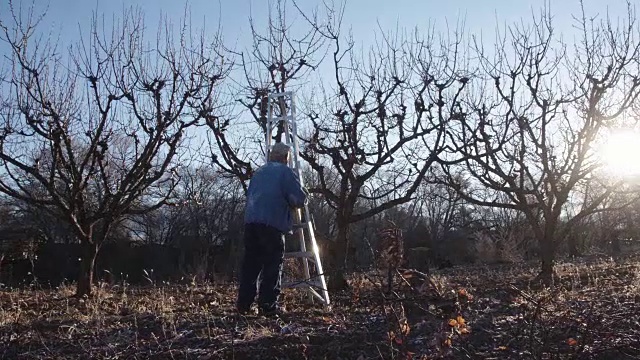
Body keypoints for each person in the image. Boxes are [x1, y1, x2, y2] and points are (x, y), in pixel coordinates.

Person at [236, 142, 308, 316]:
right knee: (272, 264)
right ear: (286, 157)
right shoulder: (285, 172)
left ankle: (244, 305)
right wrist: (305, 194)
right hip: (272, 224)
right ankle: (268, 305)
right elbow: (298, 199)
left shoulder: (258, 172)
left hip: (251, 223)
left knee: (251, 266)